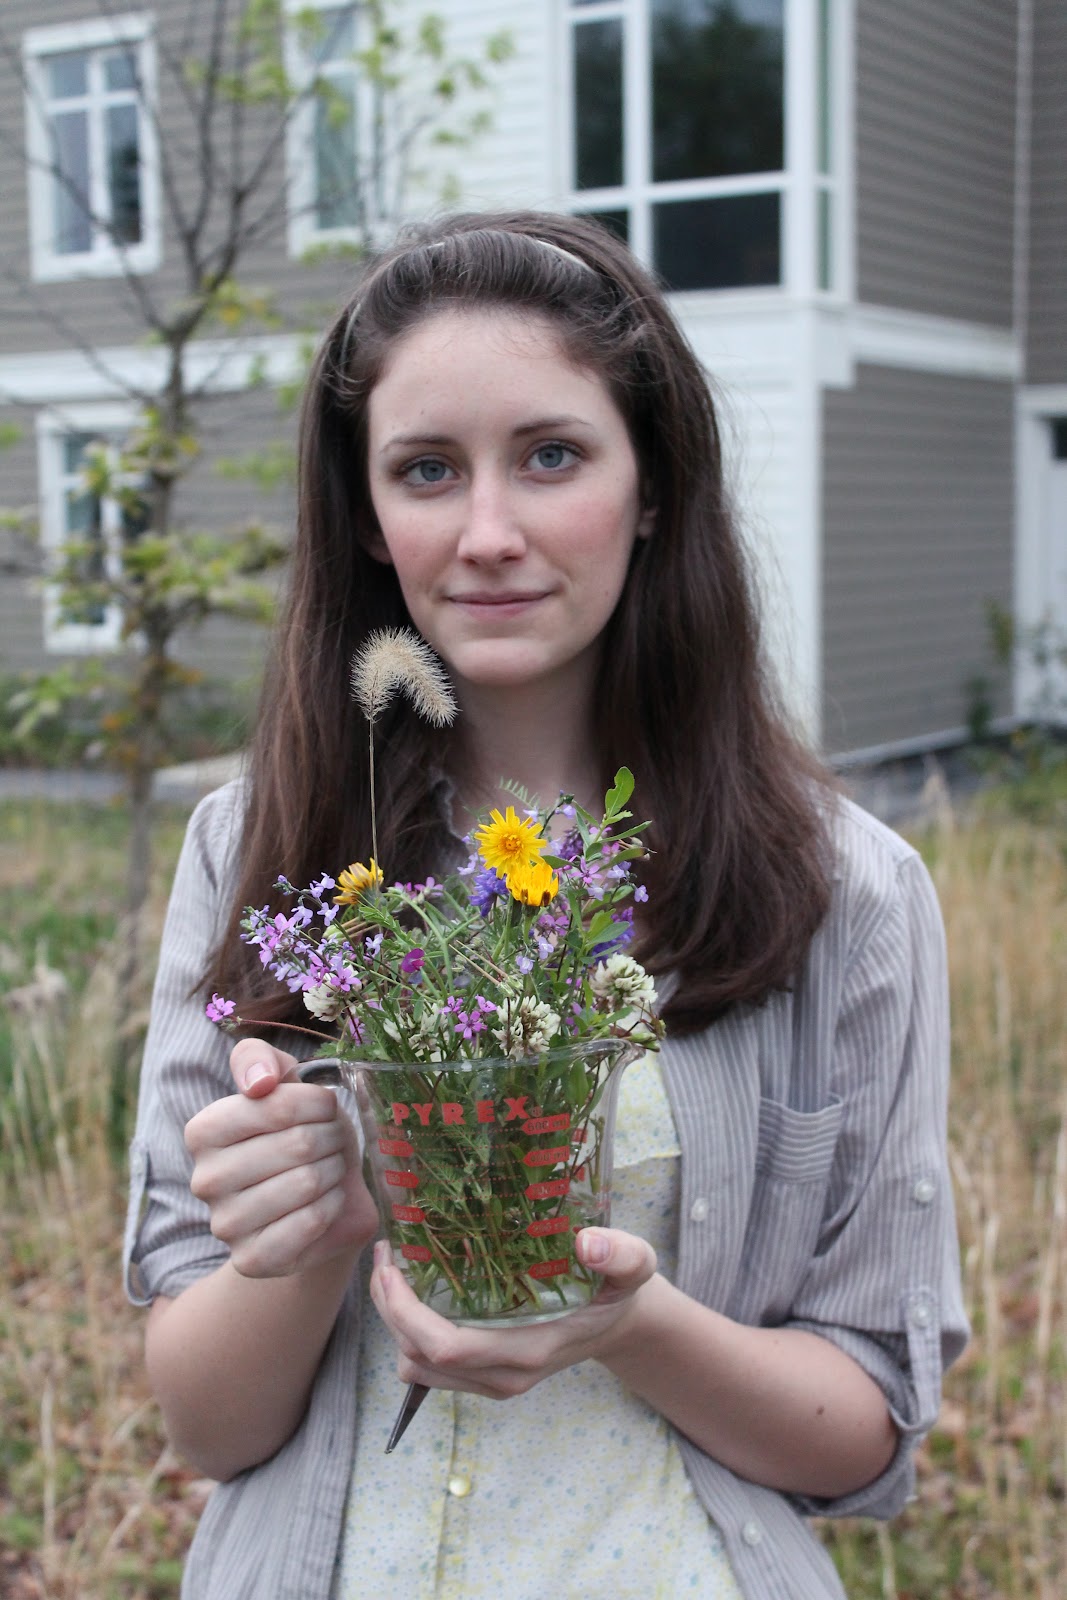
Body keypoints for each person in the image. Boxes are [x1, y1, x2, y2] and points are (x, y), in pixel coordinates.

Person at [124, 212, 968, 1600]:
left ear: (650, 486)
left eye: (553, 455)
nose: (490, 533)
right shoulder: (255, 850)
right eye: (427, 470)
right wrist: (314, 1232)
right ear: (368, 514)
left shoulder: (844, 890)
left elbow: (861, 1434)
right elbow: (207, 1426)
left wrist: (623, 1322)